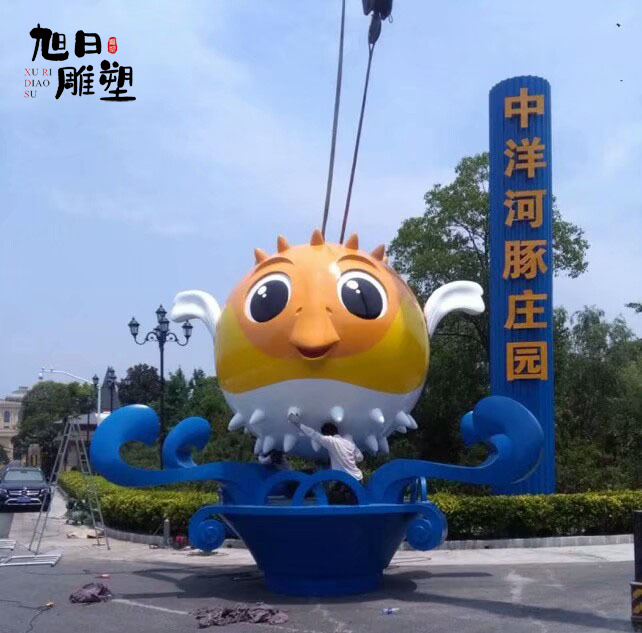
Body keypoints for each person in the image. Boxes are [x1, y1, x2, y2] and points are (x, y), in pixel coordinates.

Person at [288, 412, 364, 481]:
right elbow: (360, 457)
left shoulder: (331, 441)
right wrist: (348, 461)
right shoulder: (349, 440)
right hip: (358, 478)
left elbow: (313, 434)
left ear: (327, 435)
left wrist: (297, 423)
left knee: (334, 492)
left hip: (345, 480)